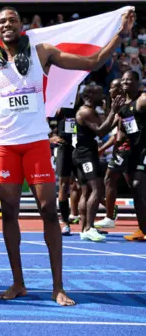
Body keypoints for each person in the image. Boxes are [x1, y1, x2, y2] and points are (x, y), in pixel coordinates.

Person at [0, 6, 135, 306]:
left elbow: (92, 61)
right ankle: (18, 282)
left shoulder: (42, 52)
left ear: (22, 26)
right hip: (6, 147)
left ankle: (58, 286)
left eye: (12, 20)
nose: (7, 24)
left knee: (48, 211)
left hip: (35, 144)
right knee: (9, 214)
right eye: (1, 21)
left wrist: (120, 35)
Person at [72, 84, 123, 241]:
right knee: (97, 189)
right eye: (99, 94)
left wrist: (115, 116)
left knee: (86, 191)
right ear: (88, 96)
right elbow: (101, 131)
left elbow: (105, 126)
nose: (102, 97)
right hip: (85, 155)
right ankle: (89, 227)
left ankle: (84, 229)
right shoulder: (86, 111)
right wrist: (114, 112)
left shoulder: (89, 111)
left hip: (83, 154)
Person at [118, 70, 146, 241]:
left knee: (137, 186)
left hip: (145, 150)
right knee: (136, 192)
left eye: (129, 80)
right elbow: (122, 133)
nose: (126, 82)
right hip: (132, 151)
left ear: (137, 82)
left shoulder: (142, 100)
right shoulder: (122, 104)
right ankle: (142, 229)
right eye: (123, 79)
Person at [96, 79, 127, 229]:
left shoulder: (123, 106)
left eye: (112, 88)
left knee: (109, 179)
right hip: (123, 149)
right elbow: (117, 134)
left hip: (125, 150)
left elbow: (112, 132)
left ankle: (109, 217)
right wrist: (102, 149)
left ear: (120, 89)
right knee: (134, 185)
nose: (109, 91)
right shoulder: (120, 105)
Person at [50, 107, 79, 235]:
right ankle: (66, 223)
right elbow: (42, 118)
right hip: (64, 147)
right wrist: (51, 136)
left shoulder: (84, 102)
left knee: (84, 185)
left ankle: (88, 226)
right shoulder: (60, 104)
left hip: (81, 148)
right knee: (64, 185)